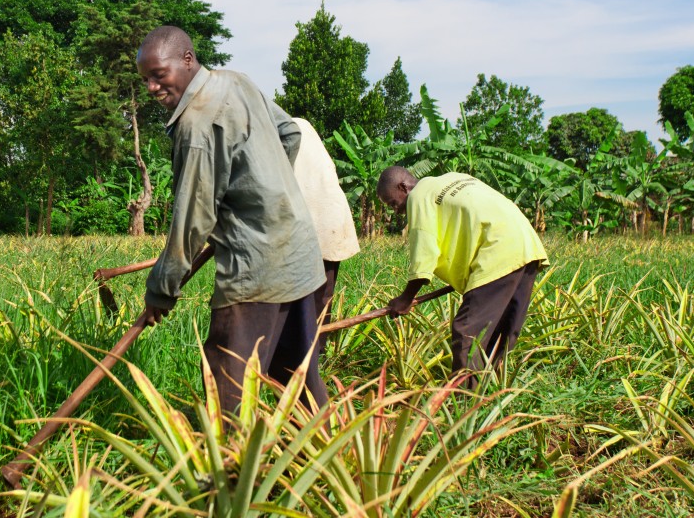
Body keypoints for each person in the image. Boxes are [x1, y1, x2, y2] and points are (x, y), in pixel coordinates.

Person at [137, 25, 329, 416]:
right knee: (294, 372)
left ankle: (228, 469)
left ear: (187, 60)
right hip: (298, 249)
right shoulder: (235, 81)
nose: (153, 88)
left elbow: (192, 219)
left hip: (258, 265)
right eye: (146, 80)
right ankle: (325, 457)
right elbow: (290, 133)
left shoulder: (196, 125)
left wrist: (162, 287)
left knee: (228, 380)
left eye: (159, 75)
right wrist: (268, 189)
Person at [376, 166, 547, 383]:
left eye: (393, 203)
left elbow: (424, 254)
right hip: (525, 244)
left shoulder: (418, 197)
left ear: (403, 187)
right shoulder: (453, 179)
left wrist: (405, 299)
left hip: (496, 251)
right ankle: (492, 393)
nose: (397, 211)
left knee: (467, 331)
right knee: (501, 330)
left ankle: (465, 406)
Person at [290, 117, 360, 327]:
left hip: (314, 221)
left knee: (298, 297)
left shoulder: (285, 137)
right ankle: (317, 348)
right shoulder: (312, 142)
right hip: (332, 222)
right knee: (322, 294)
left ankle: (304, 350)